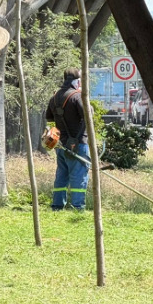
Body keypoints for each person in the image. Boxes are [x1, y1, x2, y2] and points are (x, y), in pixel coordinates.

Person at [45, 67, 90, 211]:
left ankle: (57, 206)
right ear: (77, 81)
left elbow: (49, 117)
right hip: (78, 144)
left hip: (61, 145)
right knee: (79, 176)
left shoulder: (55, 97)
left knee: (61, 176)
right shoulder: (77, 96)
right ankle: (78, 207)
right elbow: (88, 116)